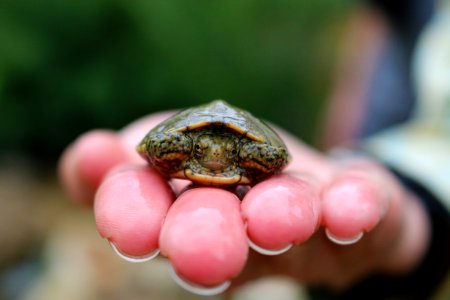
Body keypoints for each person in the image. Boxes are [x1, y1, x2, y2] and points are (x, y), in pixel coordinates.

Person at [59, 2, 450, 299]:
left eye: (221, 144)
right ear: (195, 144)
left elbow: (277, 157)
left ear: (233, 147)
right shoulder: (184, 148)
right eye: (204, 143)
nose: (213, 149)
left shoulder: (248, 153)